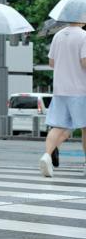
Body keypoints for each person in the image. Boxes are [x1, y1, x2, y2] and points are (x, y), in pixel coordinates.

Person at [39, 23, 86, 177]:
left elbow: (51, 63)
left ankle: (46, 155)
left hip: (60, 89)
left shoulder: (58, 36)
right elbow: (84, 62)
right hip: (80, 89)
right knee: (85, 128)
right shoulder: (83, 36)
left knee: (58, 126)